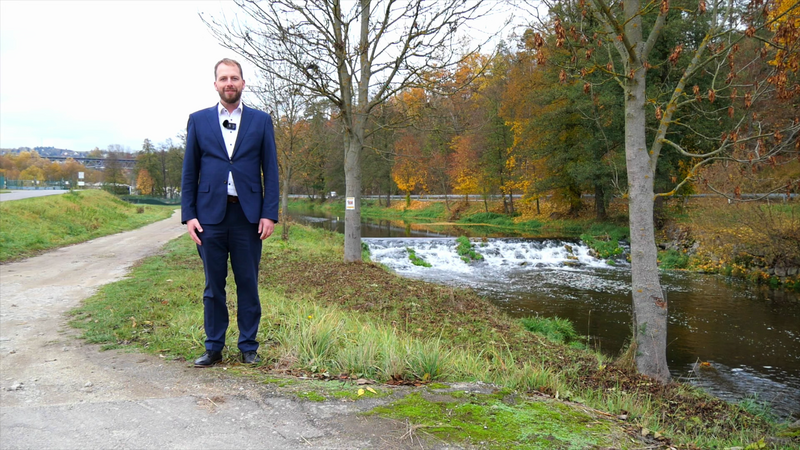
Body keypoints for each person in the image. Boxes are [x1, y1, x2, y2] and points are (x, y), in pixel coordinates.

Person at [181, 58, 279, 367]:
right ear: (215, 84)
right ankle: (214, 347)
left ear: (243, 83)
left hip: (248, 218)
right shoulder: (198, 121)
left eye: (234, 78)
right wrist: (189, 215)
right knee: (213, 286)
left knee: (248, 283)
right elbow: (189, 171)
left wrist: (269, 213)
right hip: (209, 218)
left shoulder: (261, 121)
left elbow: (271, 170)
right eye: (223, 78)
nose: (229, 83)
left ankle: (248, 346)